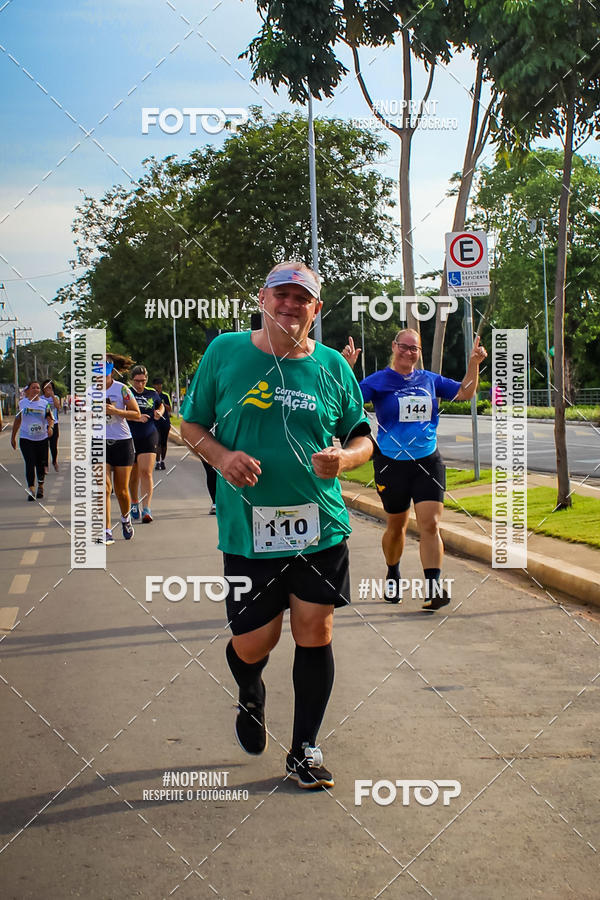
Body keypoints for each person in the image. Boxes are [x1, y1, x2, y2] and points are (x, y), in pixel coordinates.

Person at [181, 261, 373, 790]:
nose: (290, 304)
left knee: (316, 631)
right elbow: (190, 424)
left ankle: (304, 749)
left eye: (302, 298)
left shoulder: (334, 365)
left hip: (320, 527)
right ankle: (249, 687)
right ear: (262, 298)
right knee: (254, 641)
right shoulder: (226, 352)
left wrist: (346, 460)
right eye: (281, 295)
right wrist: (222, 457)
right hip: (248, 529)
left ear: (316, 308)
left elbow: (362, 436)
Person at [342, 327, 487, 611]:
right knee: (397, 527)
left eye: (415, 348)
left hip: (427, 461)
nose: (409, 352)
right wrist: (347, 368)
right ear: (394, 347)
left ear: (419, 353)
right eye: (404, 347)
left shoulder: (429, 380)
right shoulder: (379, 381)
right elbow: (348, 401)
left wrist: (474, 365)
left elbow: (465, 393)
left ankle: (433, 587)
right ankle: (393, 571)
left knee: (431, 524)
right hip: (391, 463)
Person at [102, 354, 141, 544]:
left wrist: (116, 411)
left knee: (121, 491)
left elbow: (136, 413)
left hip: (122, 442)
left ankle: (125, 519)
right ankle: (106, 530)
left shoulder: (122, 389)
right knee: (103, 488)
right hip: (99, 442)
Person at [128, 366, 164, 523]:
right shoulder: (126, 393)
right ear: (131, 380)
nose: (140, 385)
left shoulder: (152, 393)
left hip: (149, 434)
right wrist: (135, 418)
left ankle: (147, 509)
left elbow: (160, 405)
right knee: (133, 474)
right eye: (137, 381)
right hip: (129, 436)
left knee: (146, 472)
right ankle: (134, 503)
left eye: (143, 381)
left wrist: (160, 412)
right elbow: (119, 412)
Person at [11, 381, 54, 500]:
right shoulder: (21, 404)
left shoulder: (45, 404)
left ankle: (40, 486)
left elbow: (50, 418)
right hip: (26, 438)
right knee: (29, 463)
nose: (36, 390)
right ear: (28, 390)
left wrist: (50, 427)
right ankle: (31, 489)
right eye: (33, 388)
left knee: (40, 464)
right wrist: (13, 437)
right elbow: (17, 420)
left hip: (42, 438)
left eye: (38, 388)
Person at [152, 377, 172, 471]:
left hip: (165, 422)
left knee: (164, 443)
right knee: (157, 442)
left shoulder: (165, 396)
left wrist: (162, 403)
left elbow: (169, 409)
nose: (158, 386)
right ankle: (157, 462)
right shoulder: (151, 395)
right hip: (155, 422)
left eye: (160, 385)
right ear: (153, 386)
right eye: (156, 385)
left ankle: (163, 461)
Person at [41, 380, 61, 472]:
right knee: (44, 446)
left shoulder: (55, 397)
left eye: (50, 387)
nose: (48, 389)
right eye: (46, 387)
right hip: (43, 425)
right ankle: (45, 465)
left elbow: (58, 407)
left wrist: (53, 396)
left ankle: (54, 461)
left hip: (54, 424)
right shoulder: (41, 399)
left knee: (53, 445)